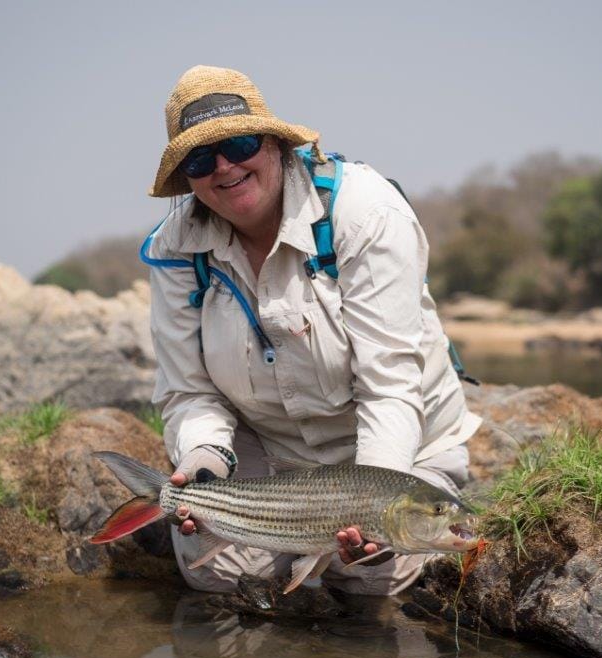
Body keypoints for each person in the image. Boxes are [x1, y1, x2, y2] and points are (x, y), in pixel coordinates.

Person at [144, 65, 481, 595]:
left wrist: (377, 506)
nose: (225, 167)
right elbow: (189, 391)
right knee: (223, 577)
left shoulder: (365, 211)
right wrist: (205, 459)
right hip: (272, 449)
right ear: (187, 177)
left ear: (277, 144)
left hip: (395, 454)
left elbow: (389, 384)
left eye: (240, 142)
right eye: (201, 158)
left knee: (369, 582)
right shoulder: (174, 247)